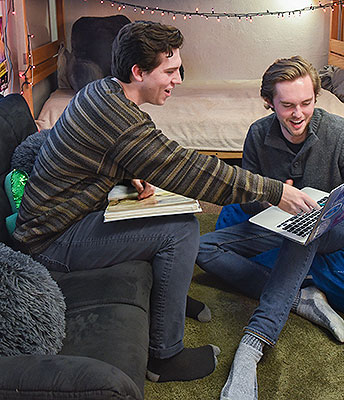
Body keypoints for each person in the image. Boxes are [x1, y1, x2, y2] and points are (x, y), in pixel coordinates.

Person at [12, 24, 316, 383]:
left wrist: (126, 175)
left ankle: (166, 296)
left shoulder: (101, 91)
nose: (178, 80)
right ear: (138, 72)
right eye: (170, 72)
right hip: (52, 240)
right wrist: (276, 192)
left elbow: (93, 157)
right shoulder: (120, 121)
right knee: (182, 230)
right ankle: (165, 355)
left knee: (174, 214)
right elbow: (192, 168)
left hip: (68, 215)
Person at [196, 56, 344, 399]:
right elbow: (245, 203)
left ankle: (252, 345)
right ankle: (302, 298)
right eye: (286, 105)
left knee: (306, 230)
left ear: (316, 98)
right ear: (269, 102)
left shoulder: (343, 134)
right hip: (277, 220)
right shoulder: (258, 134)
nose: (298, 113)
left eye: (306, 103)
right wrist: (270, 200)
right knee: (203, 248)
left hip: (341, 226)